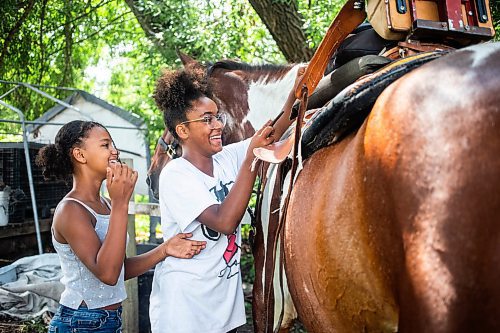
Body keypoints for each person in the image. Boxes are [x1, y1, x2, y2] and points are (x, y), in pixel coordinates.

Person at [149, 66, 303, 333]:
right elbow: (224, 222)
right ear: (182, 130)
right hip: (186, 310)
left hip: (223, 309)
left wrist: (294, 95)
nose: (219, 124)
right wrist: (250, 161)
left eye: (217, 116)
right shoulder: (176, 174)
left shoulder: (226, 158)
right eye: (207, 119)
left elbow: (272, 134)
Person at [36, 120, 206, 332]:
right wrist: (121, 203)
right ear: (80, 155)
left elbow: (118, 268)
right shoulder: (71, 211)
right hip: (80, 322)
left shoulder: (106, 204)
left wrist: (165, 249)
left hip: (108, 319)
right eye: (105, 145)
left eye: (113, 144)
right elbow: (107, 274)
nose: (114, 151)